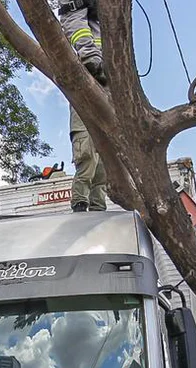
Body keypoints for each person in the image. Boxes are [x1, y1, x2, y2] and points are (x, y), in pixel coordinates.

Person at [58, 0, 108, 212]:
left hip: (107, 89)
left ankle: (98, 204)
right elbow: (72, 19)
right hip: (85, 90)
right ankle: (80, 201)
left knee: (105, 159)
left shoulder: (103, 21)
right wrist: (90, 57)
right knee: (86, 153)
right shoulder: (75, 13)